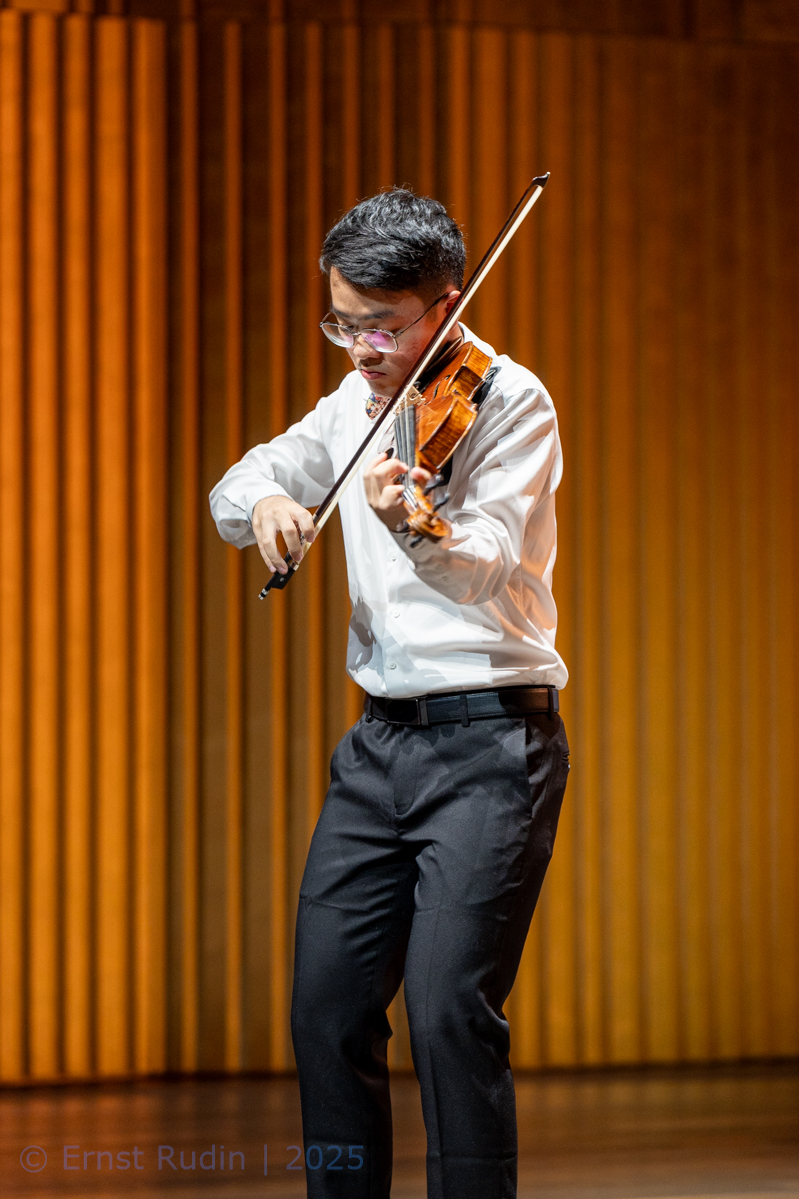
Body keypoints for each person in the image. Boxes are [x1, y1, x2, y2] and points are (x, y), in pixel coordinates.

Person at [210, 189, 570, 1199]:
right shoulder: (349, 404)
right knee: (325, 1010)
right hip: (377, 750)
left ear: (445, 304)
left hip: (493, 744)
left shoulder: (509, 399)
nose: (363, 347)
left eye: (385, 325)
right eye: (343, 323)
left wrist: (417, 523)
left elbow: (484, 563)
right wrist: (268, 500)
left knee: (450, 1012)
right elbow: (238, 484)